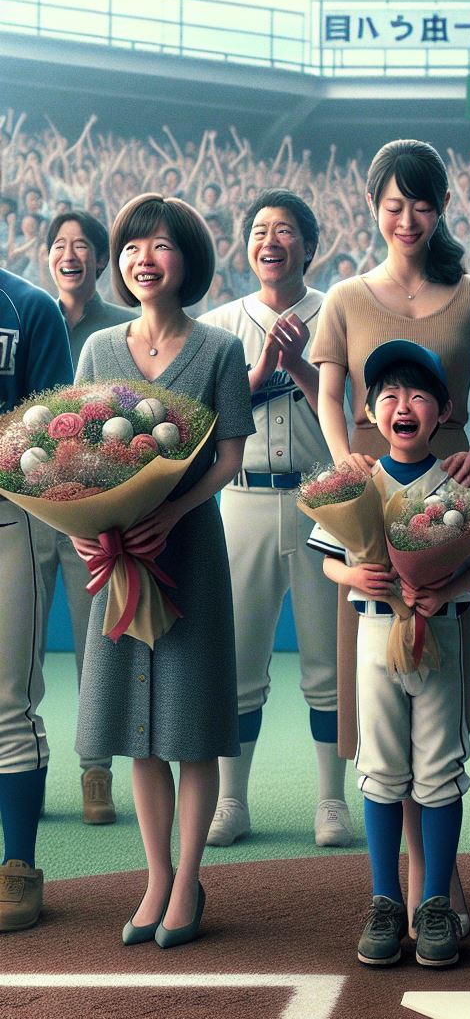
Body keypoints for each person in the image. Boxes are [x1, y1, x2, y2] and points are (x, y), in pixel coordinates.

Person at [311, 139, 470, 932]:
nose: (407, 218)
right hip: (370, 504)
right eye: (393, 204)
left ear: (441, 207)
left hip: (448, 506)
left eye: (421, 203)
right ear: (373, 207)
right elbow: (328, 392)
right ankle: (398, 892)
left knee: (440, 715)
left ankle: (435, 883)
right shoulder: (347, 297)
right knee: (381, 723)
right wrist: (347, 474)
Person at [73, 193, 255, 947]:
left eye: (161, 246)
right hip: (116, 557)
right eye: (132, 248)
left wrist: (171, 515)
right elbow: (73, 457)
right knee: (138, 731)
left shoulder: (218, 351)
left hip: (187, 551)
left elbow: (230, 458)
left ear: (188, 260)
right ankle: (155, 878)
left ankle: (188, 884)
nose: (144, 259)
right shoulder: (97, 352)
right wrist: (91, 527)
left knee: (190, 727)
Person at [313, 341, 470, 968]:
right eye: (389, 395)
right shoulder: (356, 480)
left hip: (440, 632)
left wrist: (444, 585)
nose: (403, 405)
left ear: (443, 409)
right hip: (375, 634)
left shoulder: (456, 480)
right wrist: (354, 578)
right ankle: (385, 900)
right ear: (368, 409)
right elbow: (330, 559)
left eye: (419, 395)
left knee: (440, 771)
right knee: (383, 770)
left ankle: (435, 906)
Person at [199, 189, 351, 849]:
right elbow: (202, 426)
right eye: (259, 229)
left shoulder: (337, 314)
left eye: (285, 230)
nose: (270, 240)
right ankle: (232, 800)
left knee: (327, 663)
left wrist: (298, 367)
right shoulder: (221, 321)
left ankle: (331, 800)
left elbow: (353, 422)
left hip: (324, 500)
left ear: (309, 247)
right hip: (244, 499)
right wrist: (261, 374)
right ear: (245, 246)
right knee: (238, 659)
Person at [39, 210, 136, 825]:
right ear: (46, 254)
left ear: (101, 261)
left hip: (94, 516)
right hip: (23, 511)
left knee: (93, 644)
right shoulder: (26, 316)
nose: (69, 254)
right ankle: (19, 766)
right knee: (14, 648)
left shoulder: (122, 331)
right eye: (59, 245)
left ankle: (95, 772)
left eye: (82, 246)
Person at [0, 267, 73, 932]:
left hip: (8, 517)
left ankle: (17, 864)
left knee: (7, 702)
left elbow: (50, 434)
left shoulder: (28, 307)